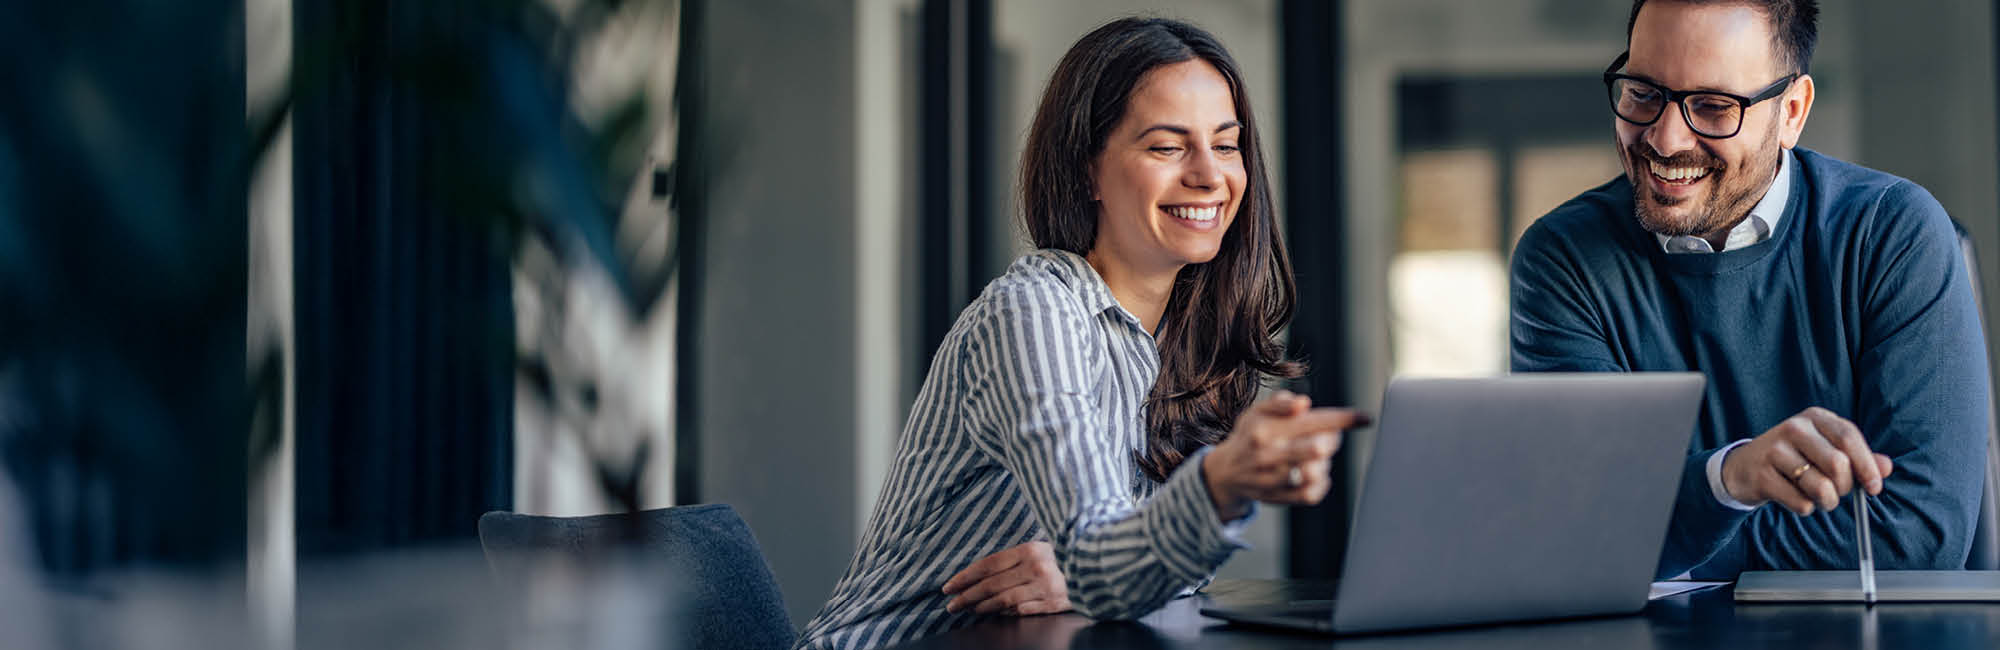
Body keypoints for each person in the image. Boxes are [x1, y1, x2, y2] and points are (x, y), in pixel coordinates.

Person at [793, 17, 1363, 650]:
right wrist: (1215, 487)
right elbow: (1105, 564)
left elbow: (1139, 570)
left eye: (1226, 145)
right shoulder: (1032, 313)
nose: (1209, 174)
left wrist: (1085, 574)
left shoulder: (1185, 341)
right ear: (1088, 171)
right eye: (1167, 147)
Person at [1511, 0, 1990, 579]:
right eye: (1642, 92)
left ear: (1792, 112)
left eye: (1714, 107)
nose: (1665, 139)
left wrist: (1677, 527)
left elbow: (1918, 535)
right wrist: (1727, 480)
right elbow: (1583, 527)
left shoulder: (1892, 233)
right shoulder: (1563, 259)